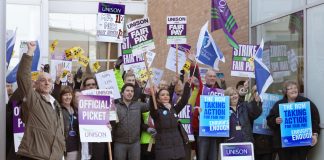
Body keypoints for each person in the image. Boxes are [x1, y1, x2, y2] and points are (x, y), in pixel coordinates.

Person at [16, 41, 65, 159]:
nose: (47, 82)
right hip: (34, 155)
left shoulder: (55, 103)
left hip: (53, 157)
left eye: (49, 80)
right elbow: (23, 76)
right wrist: (30, 52)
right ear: (36, 84)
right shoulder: (33, 99)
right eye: (43, 80)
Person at [267, 80, 320, 160]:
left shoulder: (306, 102)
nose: (294, 90)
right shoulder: (279, 104)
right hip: (284, 145)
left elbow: (315, 119)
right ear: (285, 92)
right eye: (290, 88)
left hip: (301, 143)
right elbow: (269, 120)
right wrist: (275, 120)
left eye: (295, 88)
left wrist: (315, 134)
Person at [150, 79, 191, 160]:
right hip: (163, 149)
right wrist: (152, 96)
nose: (165, 96)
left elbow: (184, 100)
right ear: (158, 99)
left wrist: (187, 85)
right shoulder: (156, 112)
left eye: (167, 95)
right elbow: (152, 107)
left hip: (178, 148)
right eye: (162, 95)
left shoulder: (174, 109)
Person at [112, 83, 150, 160]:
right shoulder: (115, 106)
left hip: (135, 143)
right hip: (119, 143)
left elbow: (151, 106)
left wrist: (152, 93)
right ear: (122, 93)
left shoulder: (139, 105)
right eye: (127, 91)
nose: (130, 93)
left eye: (132, 91)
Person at [59, 86, 80, 160]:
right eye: (65, 95)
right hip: (65, 146)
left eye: (69, 94)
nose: (68, 97)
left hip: (77, 146)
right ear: (61, 97)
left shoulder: (76, 110)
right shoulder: (58, 110)